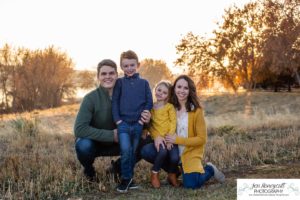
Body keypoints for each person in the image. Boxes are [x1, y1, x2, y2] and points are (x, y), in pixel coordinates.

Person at [74, 59, 151, 185]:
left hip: (122, 141)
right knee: (83, 145)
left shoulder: (128, 93)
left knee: (146, 142)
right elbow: (79, 129)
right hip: (96, 143)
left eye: (111, 73)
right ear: (98, 76)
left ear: (117, 74)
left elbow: (139, 118)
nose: (108, 77)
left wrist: (147, 121)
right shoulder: (90, 98)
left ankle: (117, 169)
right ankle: (89, 171)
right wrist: (111, 135)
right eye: (103, 74)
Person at [142, 75, 225, 189]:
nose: (181, 90)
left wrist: (177, 140)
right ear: (174, 89)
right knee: (146, 151)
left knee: (191, 185)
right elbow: (156, 124)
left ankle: (210, 169)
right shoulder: (169, 107)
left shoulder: (196, 111)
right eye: (179, 87)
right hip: (172, 149)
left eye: (186, 88)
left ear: (190, 90)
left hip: (189, 153)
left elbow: (202, 139)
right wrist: (155, 135)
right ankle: (174, 172)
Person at [112, 50, 153, 193]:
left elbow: (149, 102)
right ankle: (125, 179)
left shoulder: (144, 83)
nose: (129, 68)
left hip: (138, 125)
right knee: (125, 151)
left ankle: (130, 179)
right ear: (121, 67)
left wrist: (143, 119)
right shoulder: (119, 83)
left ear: (138, 65)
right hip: (123, 124)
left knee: (133, 152)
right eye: (126, 66)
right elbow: (115, 102)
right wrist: (118, 121)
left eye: (132, 65)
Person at [145, 81, 179, 188]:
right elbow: (150, 126)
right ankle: (155, 174)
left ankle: (172, 174)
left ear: (167, 96)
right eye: (159, 90)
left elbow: (173, 122)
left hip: (170, 137)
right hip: (158, 138)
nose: (160, 93)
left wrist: (169, 138)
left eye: (164, 93)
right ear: (155, 90)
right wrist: (156, 137)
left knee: (174, 158)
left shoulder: (169, 107)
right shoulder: (151, 108)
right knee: (163, 151)